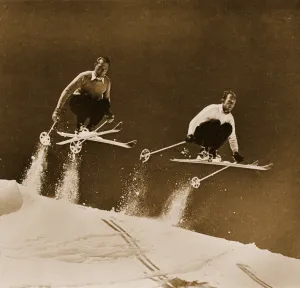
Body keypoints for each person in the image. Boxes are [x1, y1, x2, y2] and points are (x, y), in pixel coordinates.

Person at [52, 56, 114, 131]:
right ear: (95, 65)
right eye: (100, 67)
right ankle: (80, 126)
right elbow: (67, 91)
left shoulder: (107, 82)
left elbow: (106, 100)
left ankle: (90, 127)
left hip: (91, 107)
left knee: (104, 103)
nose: (102, 70)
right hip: (78, 104)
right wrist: (57, 111)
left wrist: (108, 113)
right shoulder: (84, 76)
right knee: (86, 97)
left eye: (105, 69)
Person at [186, 90, 244, 163]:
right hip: (199, 136)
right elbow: (195, 120)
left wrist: (235, 152)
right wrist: (190, 134)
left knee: (228, 127)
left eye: (233, 103)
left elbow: (232, 136)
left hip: (211, 138)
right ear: (223, 100)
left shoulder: (230, 118)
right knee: (216, 123)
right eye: (229, 101)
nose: (231, 105)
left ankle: (212, 152)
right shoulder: (212, 108)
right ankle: (204, 150)